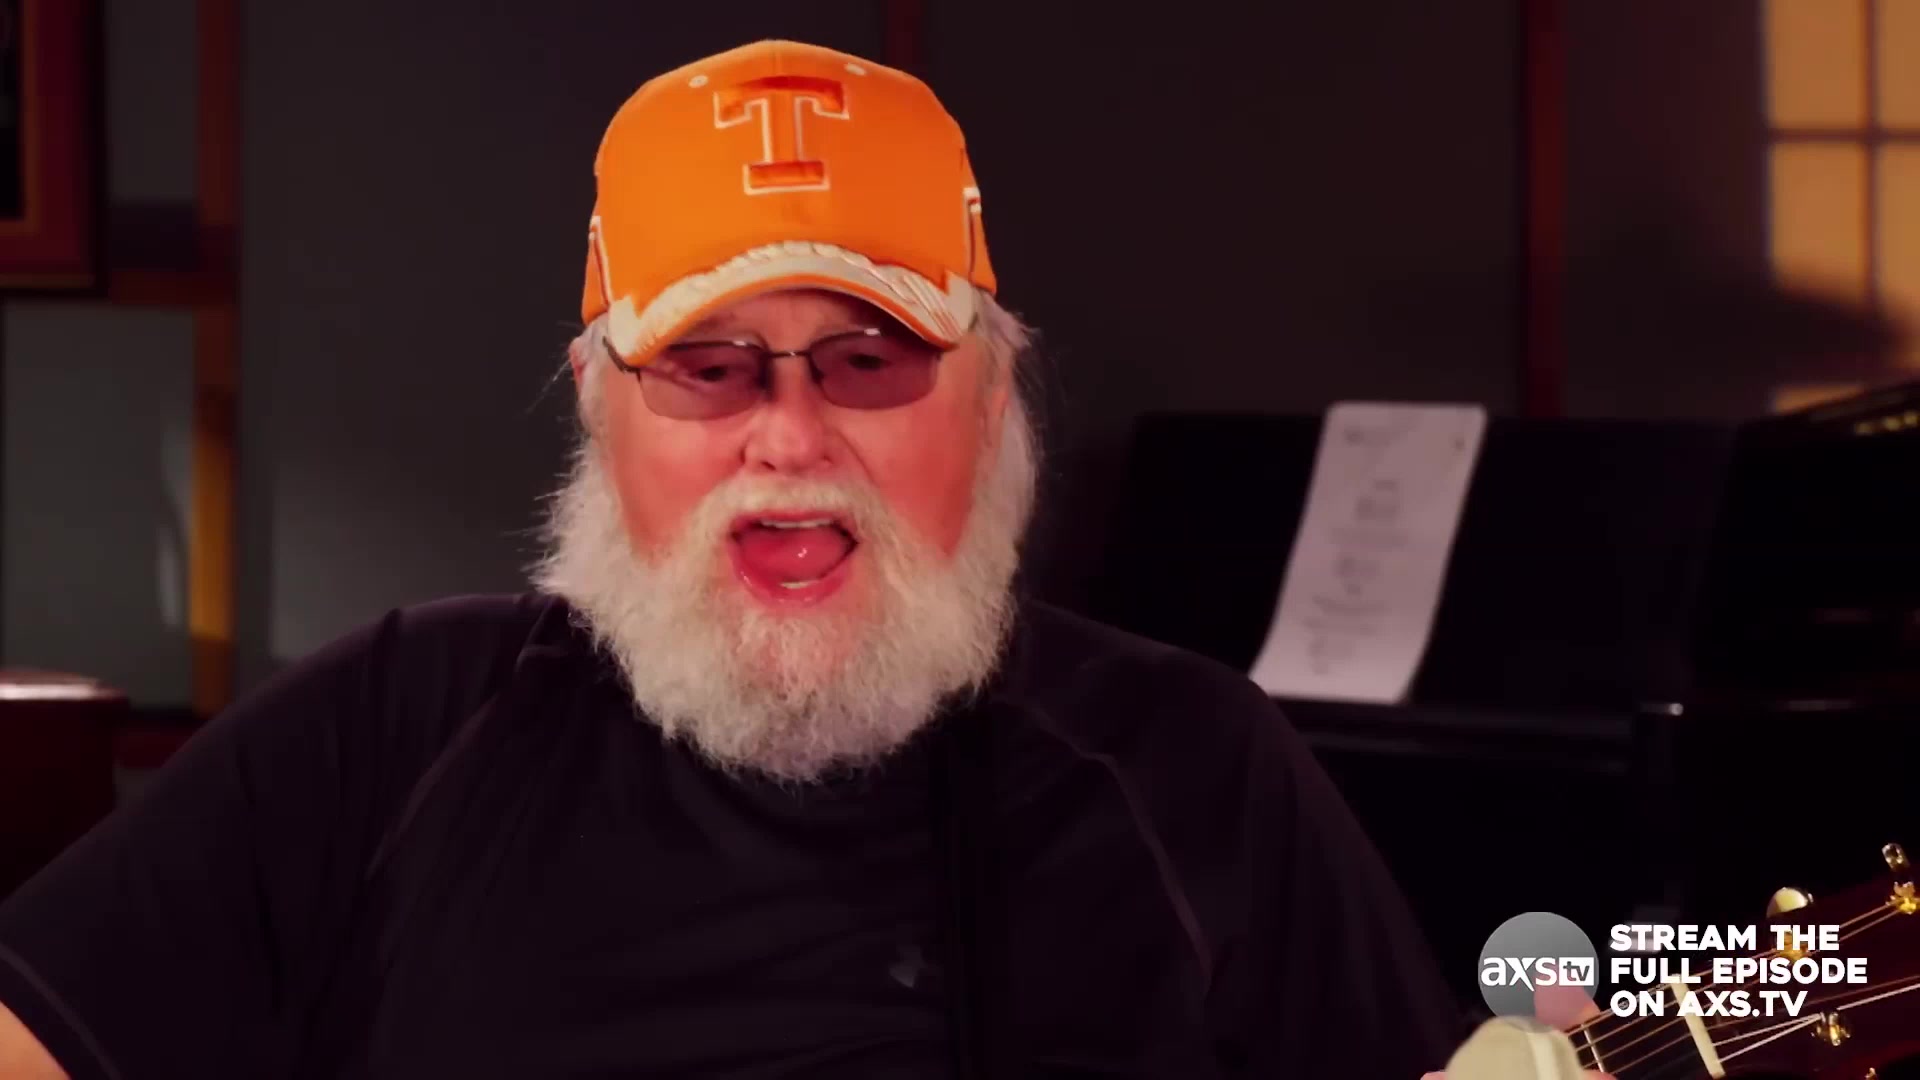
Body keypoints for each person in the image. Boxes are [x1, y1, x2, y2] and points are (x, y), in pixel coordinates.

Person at [0, 40, 1474, 1077]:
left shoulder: (1192, 762)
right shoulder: (393, 726)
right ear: (601, 416)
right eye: (708, 369)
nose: (790, 437)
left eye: (869, 360)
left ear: (989, 407)